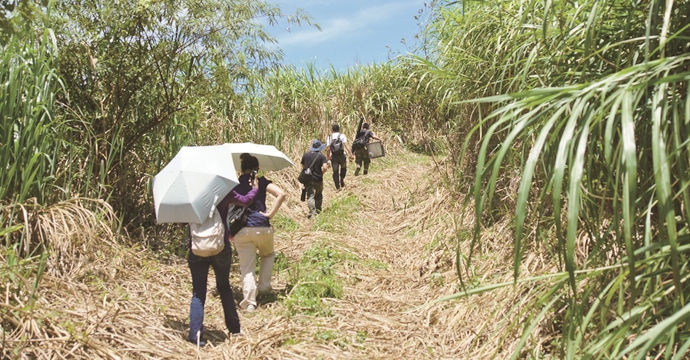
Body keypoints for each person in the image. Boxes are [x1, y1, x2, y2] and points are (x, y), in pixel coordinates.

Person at [186, 177, 258, 346]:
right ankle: (234, 329)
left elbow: (183, 220)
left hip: (197, 247)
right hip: (220, 246)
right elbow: (245, 201)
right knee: (224, 287)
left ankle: (195, 336)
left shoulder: (191, 194)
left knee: (198, 292)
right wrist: (254, 188)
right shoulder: (222, 190)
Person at [232, 153, 286, 312]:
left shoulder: (234, 183)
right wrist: (270, 214)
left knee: (247, 266)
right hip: (262, 226)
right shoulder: (261, 182)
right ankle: (264, 287)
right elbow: (281, 194)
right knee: (268, 255)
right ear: (257, 168)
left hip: (241, 229)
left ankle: (249, 302)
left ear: (241, 169)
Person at [301, 139, 329, 218]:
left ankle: (312, 212)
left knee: (310, 196)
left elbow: (303, 167)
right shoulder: (321, 156)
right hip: (318, 179)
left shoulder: (305, 155)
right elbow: (325, 167)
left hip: (308, 179)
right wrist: (321, 173)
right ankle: (318, 210)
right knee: (319, 194)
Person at [326, 123, 355, 190]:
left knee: (335, 171)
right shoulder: (342, 136)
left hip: (334, 157)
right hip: (342, 156)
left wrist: (328, 158)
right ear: (339, 129)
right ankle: (342, 179)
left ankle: (337, 187)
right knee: (343, 169)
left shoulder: (329, 137)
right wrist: (351, 154)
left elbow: (328, 148)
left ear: (332, 130)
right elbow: (346, 145)